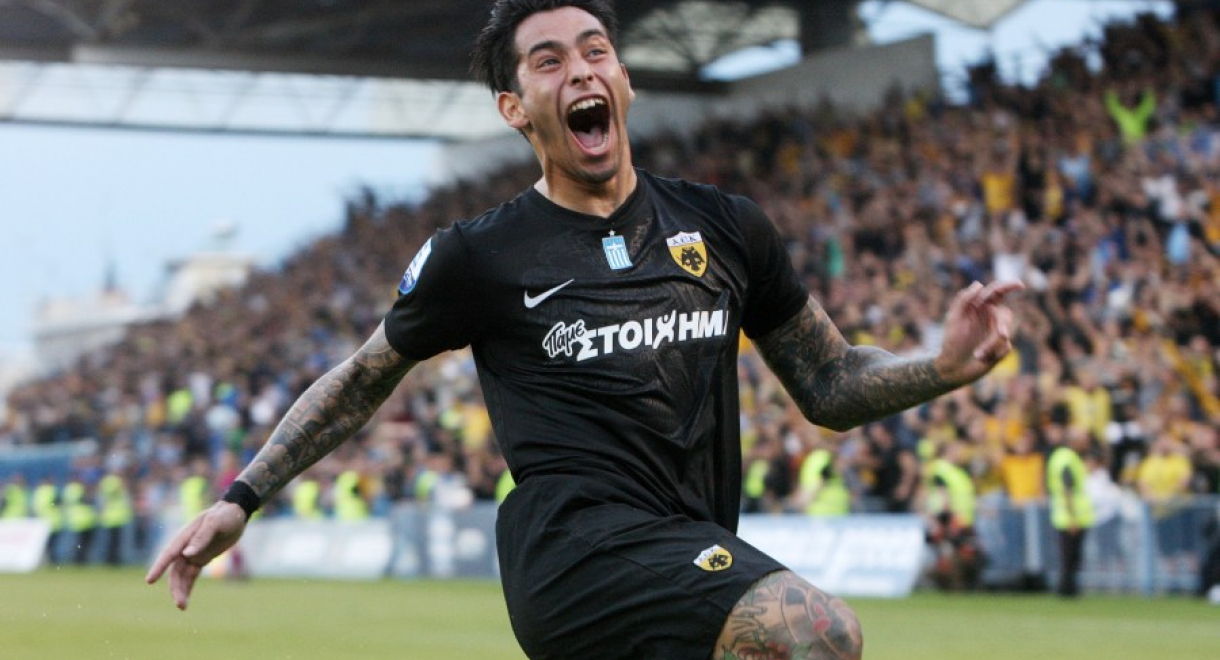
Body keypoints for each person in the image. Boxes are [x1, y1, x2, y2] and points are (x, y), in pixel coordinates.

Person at [147, 2, 1022, 659]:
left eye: (595, 51)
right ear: (514, 107)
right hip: (572, 556)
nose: (580, 72)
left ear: (625, 81)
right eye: (550, 61)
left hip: (691, 541)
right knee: (817, 633)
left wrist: (942, 367)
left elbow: (829, 384)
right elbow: (359, 379)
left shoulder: (725, 227)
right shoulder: (477, 256)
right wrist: (240, 497)